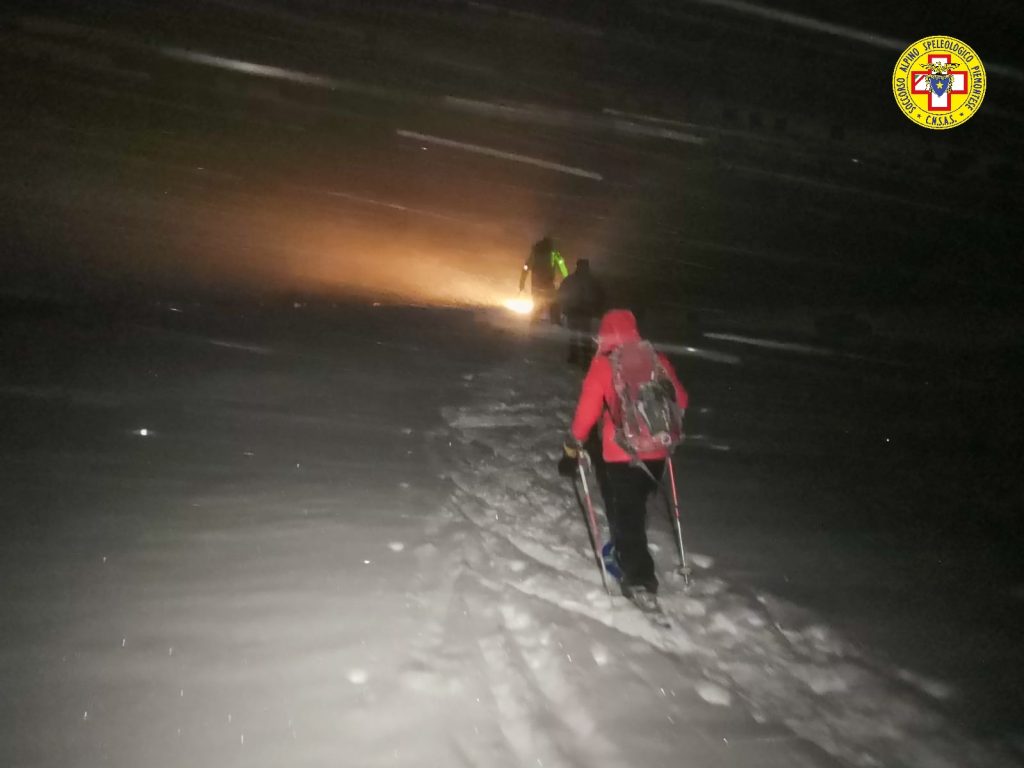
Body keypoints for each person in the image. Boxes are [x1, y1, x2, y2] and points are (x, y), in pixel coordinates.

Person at [561, 309, 688, 610]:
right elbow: (681, 400)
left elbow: (586, 416)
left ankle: (640, 579)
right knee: (634, 507)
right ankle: (628, 550)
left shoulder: (604, 365)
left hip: (622, 455)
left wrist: (571, 446)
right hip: (657, 453)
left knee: (627, 516)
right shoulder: (657, 360)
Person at [557, 258, 605, 368]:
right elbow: (599, 295)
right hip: (584, 310)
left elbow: (561, 293)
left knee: (575, 334)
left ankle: (576, 356)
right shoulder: (592, 281)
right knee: (584, 334)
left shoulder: (571, 279)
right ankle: (585, 357)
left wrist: (563, 307)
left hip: (575, 310)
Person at [519, 236, 568, 322]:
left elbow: (526, 267)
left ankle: (534, 322)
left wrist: (522, 283)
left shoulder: (535, 253)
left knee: (537, 302)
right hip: (548, 282)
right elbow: (561, 264)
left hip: (536, 283)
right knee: (553, 302)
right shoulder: (553, 253)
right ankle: (555, 321)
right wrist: (567, 278)